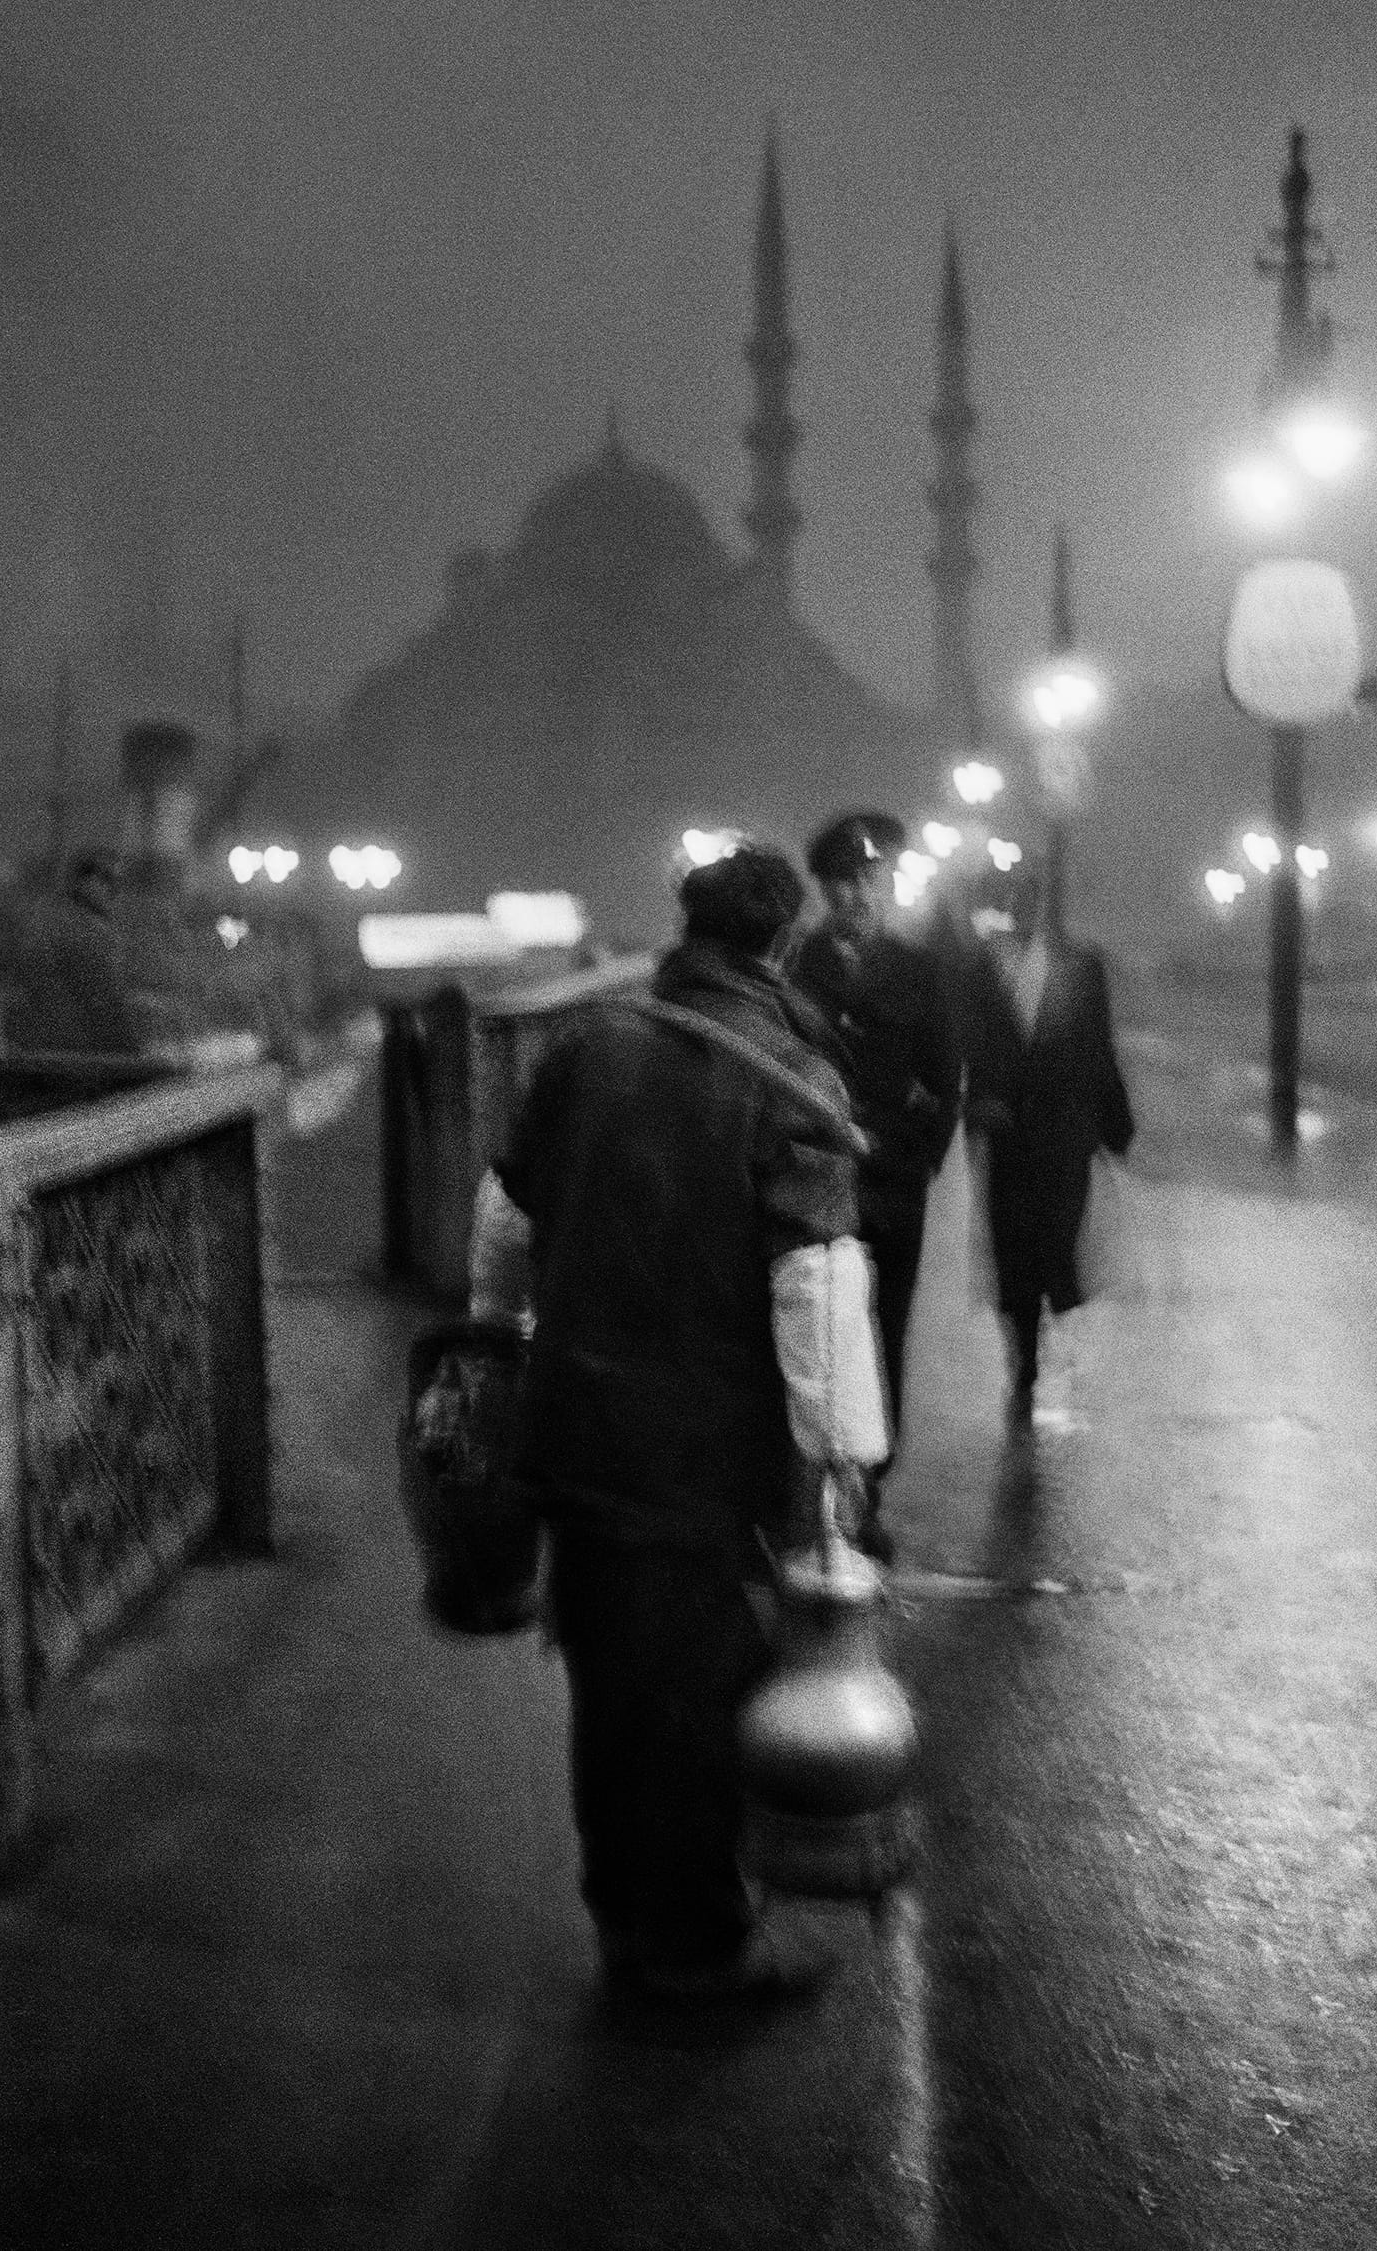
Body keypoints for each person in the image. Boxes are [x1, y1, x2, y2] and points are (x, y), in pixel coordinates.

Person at [466, 840, 890, 2004]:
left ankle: (625, 1924)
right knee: (702, 1695)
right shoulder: (795, 1075)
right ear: (784, 943)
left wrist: (500, 1346)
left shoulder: (586, 1048)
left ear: (685, 930)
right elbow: (814, 1289)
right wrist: (837, 1458)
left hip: (574, 1430)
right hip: (702, 1453)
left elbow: (504, 1221)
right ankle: (692, 1951)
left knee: (608, 1689)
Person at [789, 811, 960, 1548]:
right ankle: (816, 1486)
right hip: (816, 1182)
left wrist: (912, 1154)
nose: (858, 896)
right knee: (818, 1330)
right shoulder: (796, 970)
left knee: (884, 1332)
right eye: (842, 884)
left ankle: (870, 1489)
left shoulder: (919, 972)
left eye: (869, 880)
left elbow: (942, 1079)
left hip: (890, 1187)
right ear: (823, 891)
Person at [963, 866, 1135, 1428]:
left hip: (1063, 1134)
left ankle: (1038, 1324)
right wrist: (978, 1106)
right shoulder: (984, 968)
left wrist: (1113, 1119)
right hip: (1010, 1134)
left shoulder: (1082, 965)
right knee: (1012, 1245)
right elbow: (974, 1046)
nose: (1023, 909)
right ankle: (1024, 1352)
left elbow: (1098, 1046)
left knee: (1055, 1235)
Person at [9, 849, 144, 1057]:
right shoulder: (73, 926)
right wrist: (134, 1054)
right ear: (83, 881)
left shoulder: (71, 920)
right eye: (106, 878)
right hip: (73, 1052)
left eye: (118, 881)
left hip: (61, 1046)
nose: (114, 890)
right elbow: (101, 998)